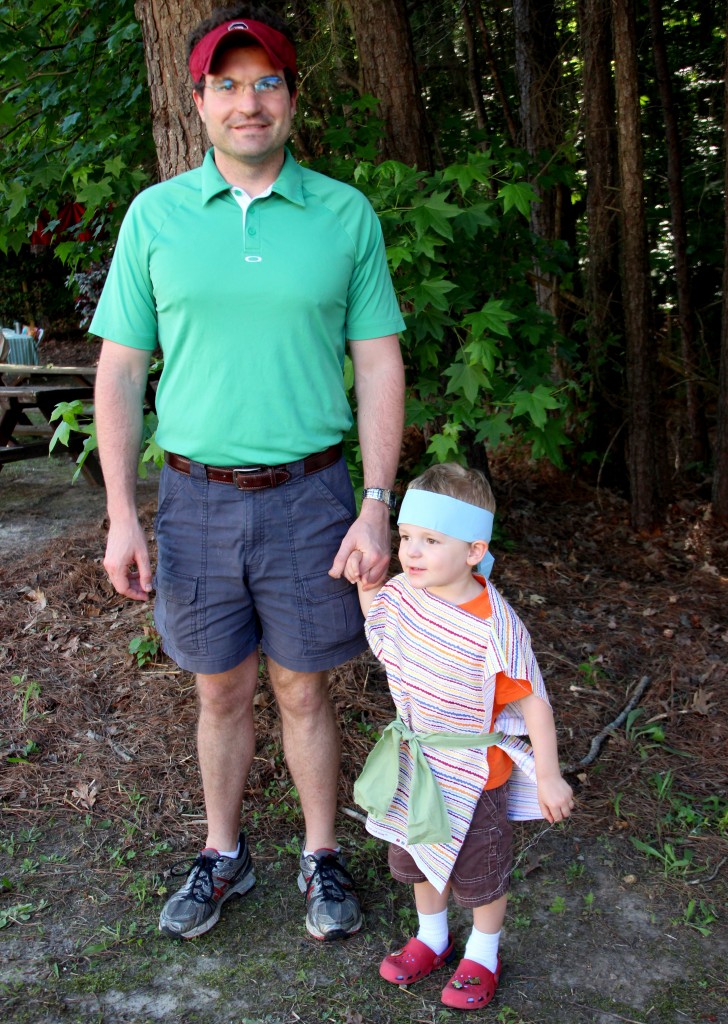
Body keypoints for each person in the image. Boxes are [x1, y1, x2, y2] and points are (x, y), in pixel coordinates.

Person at [90, 2, 405, 944]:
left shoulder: (344, 215)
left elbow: (380, 360)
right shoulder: (156, 218)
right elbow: (120, 368)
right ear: (198, 103)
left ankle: (321, 856)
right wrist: (120, 513)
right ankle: (224, 853)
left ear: (292, 97)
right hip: (191, 500)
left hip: (314, 498)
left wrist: (378, 504)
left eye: (266, 81)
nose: (248, 102)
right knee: (218, 688)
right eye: (226, 84)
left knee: (306, 687)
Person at [345, 463, 574, 1010]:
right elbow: (384, 632)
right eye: (405, 538)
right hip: (416, 764)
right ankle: (433, 938)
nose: (412, 552)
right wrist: (367, 586)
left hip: (475, 775)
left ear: (474, 550)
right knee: (420, 855)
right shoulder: (407, 591)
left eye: (430, 540)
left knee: (480, 875)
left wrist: (548, 774)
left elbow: (533, 705)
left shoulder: (495, 624)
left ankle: (484, 951)